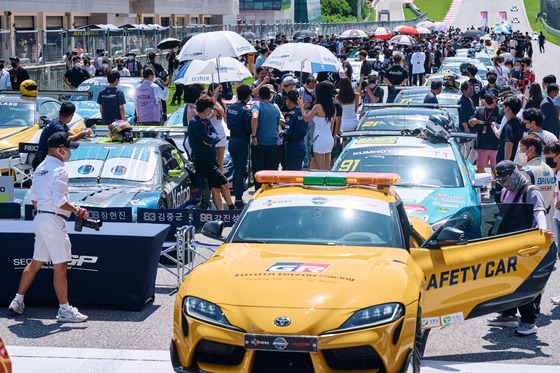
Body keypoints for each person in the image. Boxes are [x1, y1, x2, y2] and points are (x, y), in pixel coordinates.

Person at [9, 131, 89, 322]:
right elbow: (60, 201)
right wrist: (78, 210)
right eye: (68, 148)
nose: (69, 152)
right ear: (61, 150)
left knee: (36, 262)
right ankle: (64, 310)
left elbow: (34, 200)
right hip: (53, 221)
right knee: (60, 267)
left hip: (40, 219)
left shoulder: (40, 167)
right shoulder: (59, 170)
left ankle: (18, 299)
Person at [487, 160, 554, 335]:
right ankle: (508, 316)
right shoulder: (504, 192)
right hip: (508, 243)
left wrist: (542, 230)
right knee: (506, 281)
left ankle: (529, 322)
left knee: (522, 283)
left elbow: (539, 212)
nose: (503, 183)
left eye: (505, 178)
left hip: (525, 246)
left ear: (515, 173)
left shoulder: (530, 191)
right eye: (500, 180)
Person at [188, 95, 235, 211]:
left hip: (211, 158)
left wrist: (210, 140)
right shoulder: (195, 122)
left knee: (215, 188)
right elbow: (208, 139)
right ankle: (231, 207)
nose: (212, 110)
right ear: (207, 109)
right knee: (224, 182)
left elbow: (216, 136)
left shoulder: (207, 120)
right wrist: (210, 140)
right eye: (211, 108)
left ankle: (221, 213)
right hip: (203, 161)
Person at [32, 102, 92, 169]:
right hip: (42, 161)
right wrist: (81, 134)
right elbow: (67, 138)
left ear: (59, 111)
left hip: (45, 160)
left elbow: (72, 134)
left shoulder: (60, 123)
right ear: (72, 115)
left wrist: (84, 133)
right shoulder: (57, 126)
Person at [469, 90, 503, 190]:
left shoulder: (500, 112)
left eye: (490, 97)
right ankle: (483, 185)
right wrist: (473, 122)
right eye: (486, 96)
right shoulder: (480, 110)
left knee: (495, 168)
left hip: (495, 145)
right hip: (482, 144)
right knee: (480, 167)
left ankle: (493, 187)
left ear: (496, 99)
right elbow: (470, 122)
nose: (487, 98)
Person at [298, 81, 335, 170]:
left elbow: (306, 118)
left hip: (319, 138)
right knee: (327, 168)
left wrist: (301, 106)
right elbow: (332, 125)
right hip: (329, 137)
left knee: (321, 170)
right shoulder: (332, 107)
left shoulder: (317, 107)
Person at [251, 85, 282, 189]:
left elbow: (255, 117)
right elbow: (277, 126)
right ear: (270, 96)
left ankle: (259, 195)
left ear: (258, 96)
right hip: (273, 144)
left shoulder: (257, 106)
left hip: (260, 143)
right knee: (271, 175)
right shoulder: (275, 109)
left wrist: (254, 136)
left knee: (259, 174)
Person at [226, 84, 252, 208]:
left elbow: (229, 124)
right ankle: (238, 199)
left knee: (236, 170)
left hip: (232, 140)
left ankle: (237, 197)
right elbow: (248, 129)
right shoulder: (246, 110)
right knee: (241, 170)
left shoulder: (231, 107)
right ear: (248, 96)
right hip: (242, 141)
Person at [282, 91, 308, 171]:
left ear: (288, 100)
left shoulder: (290, 115)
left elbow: (287, 133)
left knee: (292, 174)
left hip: (293, 146)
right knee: (298, 171)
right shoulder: (302, 112)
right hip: (302, 144)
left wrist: (281, 133)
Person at [207, 83, 228, 174]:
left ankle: (221, 182)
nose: (219, 92)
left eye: (219, 91)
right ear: (210, 91)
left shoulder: (221, 103)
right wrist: (213, 115)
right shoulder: (207, 102)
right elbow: (205, 118)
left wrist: (222, 113)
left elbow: (226, 120)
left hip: (221, 132)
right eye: (216, 90)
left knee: (220, 161)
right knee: (212, 161)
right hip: (211, 133)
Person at [298, 76, 317, 168]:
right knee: (304, 141)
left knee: (310, 141)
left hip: (313, 120)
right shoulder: (300, 92)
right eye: (310, 87)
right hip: (303, 120)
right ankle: (306, 160)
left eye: (313, 87)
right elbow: (296, 105)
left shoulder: (315, 92)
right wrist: (304, 106)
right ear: (306, 84)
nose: (311, 89)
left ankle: (310, 158)